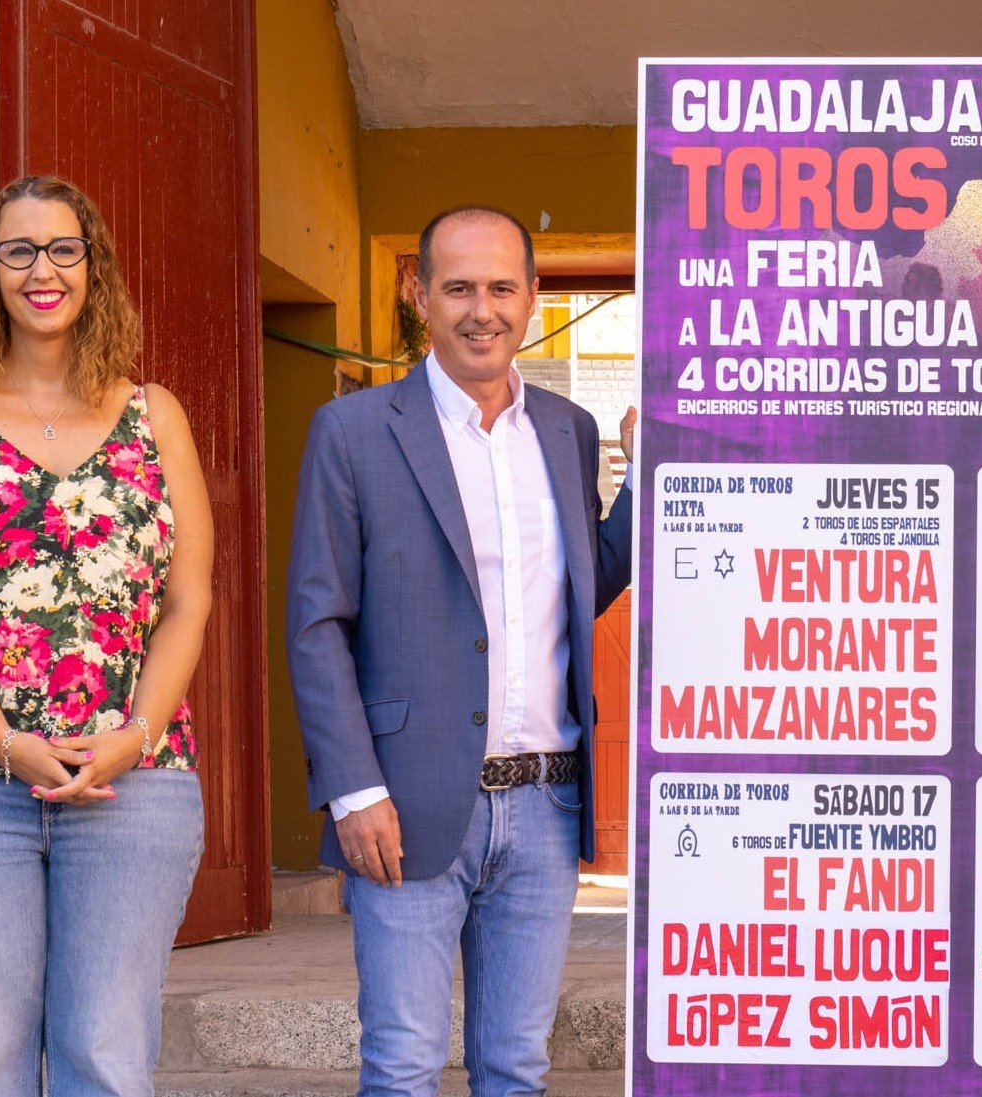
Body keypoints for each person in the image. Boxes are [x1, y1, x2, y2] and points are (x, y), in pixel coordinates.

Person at [286, 204, 634, 1097]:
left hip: (547, 803)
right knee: (402, 1067)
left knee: (516, 1068)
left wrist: (645, 480)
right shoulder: (355, 431)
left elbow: (580, 580)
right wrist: (353, 788)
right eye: (459, 288)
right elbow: (318, 622)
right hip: (403, 801)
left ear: (534, 297)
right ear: (421, 296)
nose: (483, 309)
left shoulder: (566, 429)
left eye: (502, 288)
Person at [0, 174, 213, 1096]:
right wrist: (8, 743)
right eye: (18, 250)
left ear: (91, 266)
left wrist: (134, 736)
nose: (42, 269)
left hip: (132, 778)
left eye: (63, 248)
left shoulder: (158, 415)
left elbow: (188, 601)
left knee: (106, 1055)